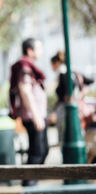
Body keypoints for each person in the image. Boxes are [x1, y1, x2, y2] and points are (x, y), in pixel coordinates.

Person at [9, 38, 48, 186]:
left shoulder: (28, 66)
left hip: (36, 115)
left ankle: (30, 182)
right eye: (39, 48)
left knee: (42, 150)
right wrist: (37, 116)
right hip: (32, 116)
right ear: (30, 51)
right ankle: (28, 185)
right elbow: (25, 91)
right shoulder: (25, 67)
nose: (41, 51)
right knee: (37, 151)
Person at [50, 50, 95, 141]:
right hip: (78, 108)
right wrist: (83, 91)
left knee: (65, 137)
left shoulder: (62, 74)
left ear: (57, 63)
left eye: (52, 65)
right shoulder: (74, 73)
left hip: (66, 109)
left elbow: (64, 93)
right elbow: (91, 81)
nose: (52, 68)